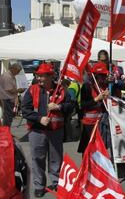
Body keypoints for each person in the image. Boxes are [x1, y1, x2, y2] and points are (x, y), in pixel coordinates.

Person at [21, 63, 73, 197]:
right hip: (37, 132)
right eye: (37, 76)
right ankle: (39, 186)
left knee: (56, 159)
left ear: (50, 76)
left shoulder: (61, 90)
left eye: (41, 76)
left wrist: (59, 107)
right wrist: (39, 119)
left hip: (56, 131)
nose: (39, 79)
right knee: (37, 159)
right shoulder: (32, 90)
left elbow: (71, 106)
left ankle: (56, 183)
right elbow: (25, 110)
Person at [78, 62, 110, 154]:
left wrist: (108, 97)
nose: (104, 78)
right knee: (88, 149)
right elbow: (82, 105)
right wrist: (96, 99)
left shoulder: (106, 87)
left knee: (100, 149)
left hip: (102, 123)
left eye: (105, 75)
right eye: (102, 75)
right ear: (95, 75)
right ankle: (87, 167)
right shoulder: (87, 87)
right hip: (89, 124)